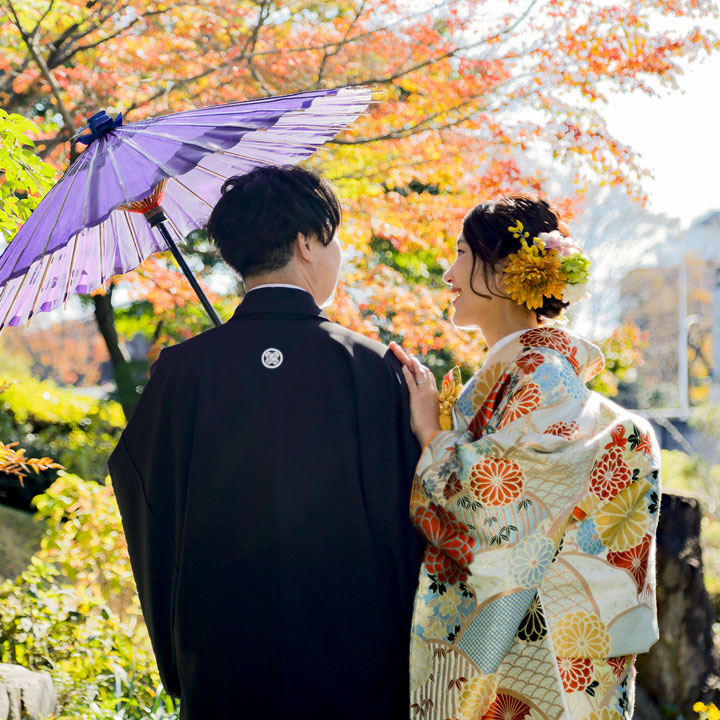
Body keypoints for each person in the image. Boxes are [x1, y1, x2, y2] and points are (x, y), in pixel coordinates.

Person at [107, 165, 425, 719]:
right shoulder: (373, 367)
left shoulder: (181, 372)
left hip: (225, 662)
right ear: (306, 242)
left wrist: (183, 654)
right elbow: (409, 527)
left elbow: (148, 508)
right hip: (354, 666)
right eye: (333, 240)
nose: (337, 255)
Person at [391, 194, 661, 720]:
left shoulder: (540, 377)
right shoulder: (519, 376)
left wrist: (428, 431)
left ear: (507, 268)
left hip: (540, 649)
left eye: (463, 253)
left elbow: (501, 498)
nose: (448, 273)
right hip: (532, 637)